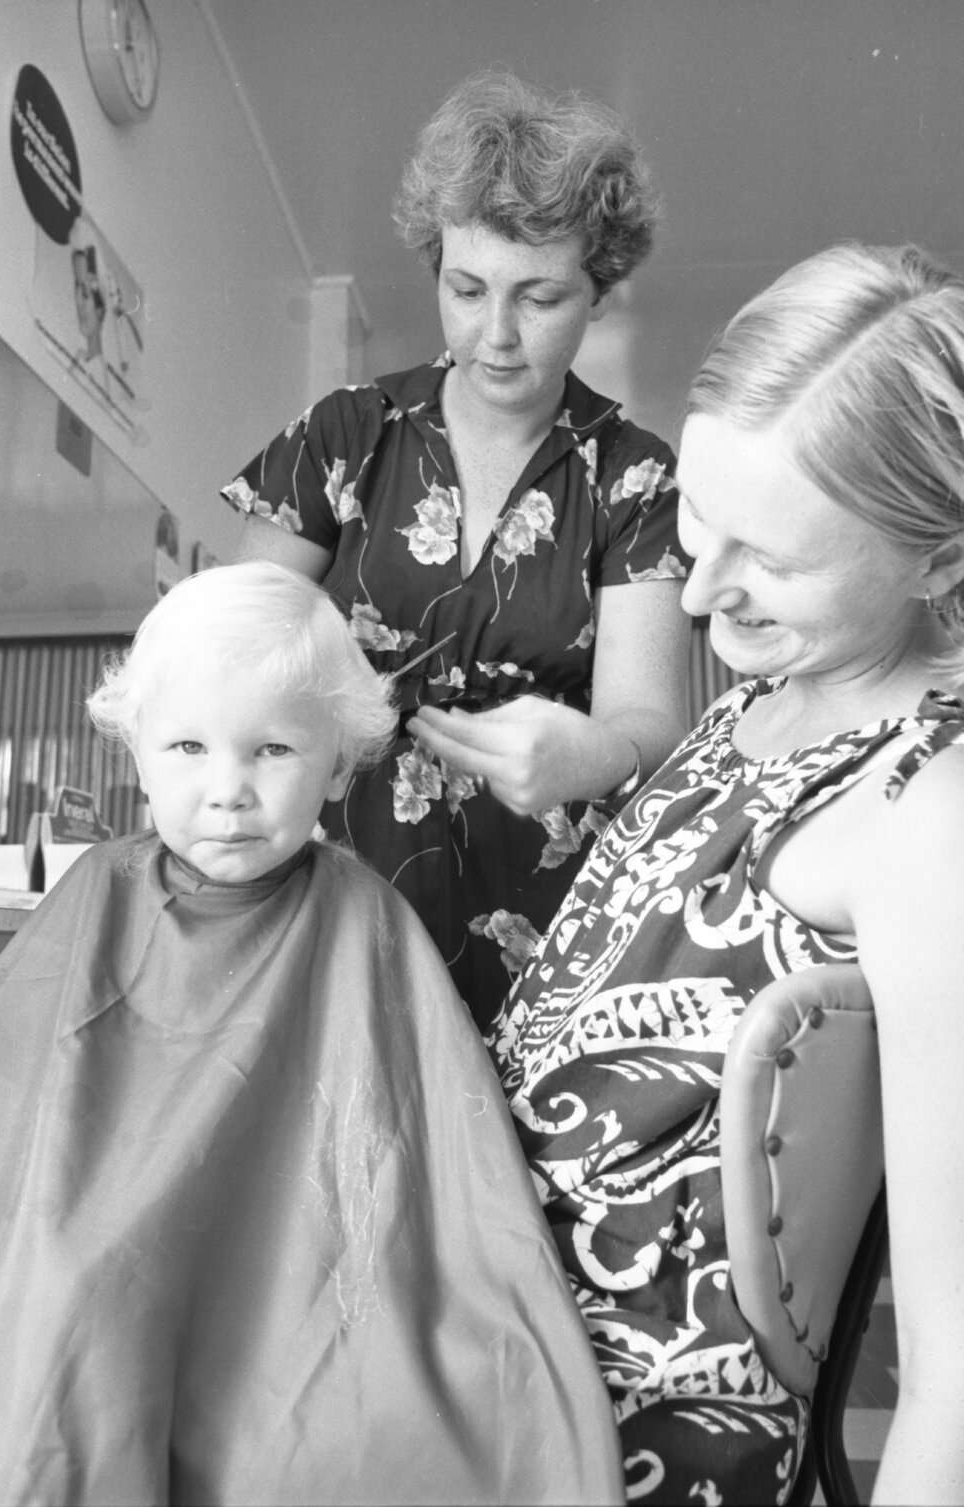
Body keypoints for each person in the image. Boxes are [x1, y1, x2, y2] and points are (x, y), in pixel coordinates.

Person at [0, 562, 625, 1506]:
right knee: (66, 1319)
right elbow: (10, 1112)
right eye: (188, 746)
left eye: (272, 750)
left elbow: (407, 1149)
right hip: (90, 1250)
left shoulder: (365, 918)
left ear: (338, 758)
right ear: (136, 748)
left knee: (375, 1416)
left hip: (292, 1269)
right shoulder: (96, 892)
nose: (228, 789)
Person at [487, 243, 964, 1505]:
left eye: (771, 558)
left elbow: (951, 1383)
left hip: (644, 1463)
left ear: (942, 561)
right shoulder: (761, 694)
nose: (700, 590)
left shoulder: (929, 815)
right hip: (494, 1392)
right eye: (697, 520)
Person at [221, 71, 691, 1031]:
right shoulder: (346, 435)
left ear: (599, 290)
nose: (499, 336)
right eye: (467, 289)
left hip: (548, 932)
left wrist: (594, 752)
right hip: (332, 897)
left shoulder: (634, 478)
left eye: (541, 297)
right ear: (435, 267)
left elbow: (653, 725)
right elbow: (228, 654)